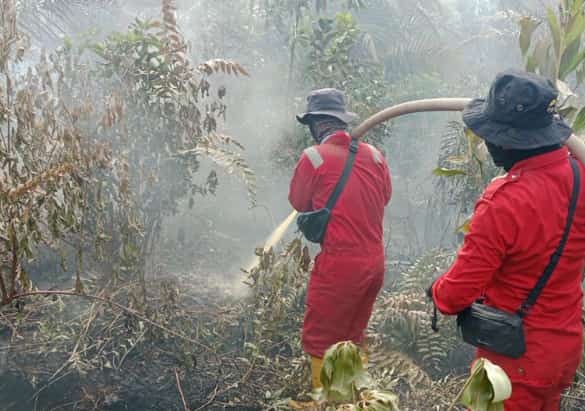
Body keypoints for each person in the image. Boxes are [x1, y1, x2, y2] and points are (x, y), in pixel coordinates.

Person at [428, 69, 585, 410]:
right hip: (563, 350)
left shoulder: (504, 201)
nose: (491, 144)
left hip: (515, 363)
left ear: (508, 140)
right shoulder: (579, 174)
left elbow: (457, 294)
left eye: (494, 136)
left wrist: (438, 291)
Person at [288, 88, 392, 389]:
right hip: (375, 262)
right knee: (353, 335)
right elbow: (384, 197)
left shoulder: (313, 157)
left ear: (318, 124)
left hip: (340, 263)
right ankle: (352, 399)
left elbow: (298, 202)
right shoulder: (374, 156)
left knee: (320, 339)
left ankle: (325, 403)